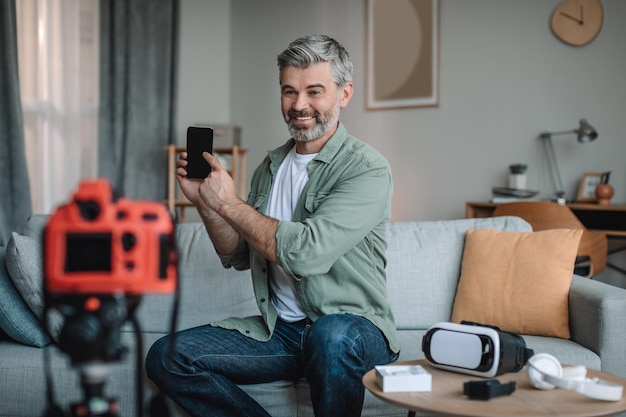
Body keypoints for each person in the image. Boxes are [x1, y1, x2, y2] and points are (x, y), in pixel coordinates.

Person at [146, 34, 399, 417]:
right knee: (166, 357)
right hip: (280, 332)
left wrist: (230, 201)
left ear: (344, 94)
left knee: (331, 335)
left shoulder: (367, 169)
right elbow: (237, 253)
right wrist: (208, 204)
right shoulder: (270, 167)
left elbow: (306, 253)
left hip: (354, 329)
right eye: (289, 92)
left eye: (314, 91)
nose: (299, 105)